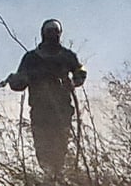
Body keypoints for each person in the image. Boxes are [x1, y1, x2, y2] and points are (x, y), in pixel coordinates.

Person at [7, 19, 86, 176]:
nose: (52, 35)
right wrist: (16, 79)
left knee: (61, 146)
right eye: (49, 32)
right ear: (43, 34)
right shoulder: (31, 58)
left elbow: (81, 71)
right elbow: (19, 82)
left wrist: (75, 81)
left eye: (55, 31)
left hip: (62, 111)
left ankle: (57, 176)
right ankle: (49, 176)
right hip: (40, 112)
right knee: (43, 148)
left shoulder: (67, 56)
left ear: (60, 34)